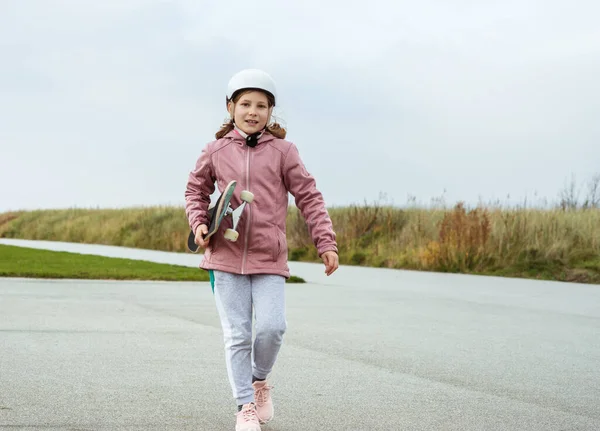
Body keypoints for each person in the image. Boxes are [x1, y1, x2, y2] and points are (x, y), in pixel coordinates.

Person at [184, 68, 339, 431]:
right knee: (237, 333)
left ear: (271, 111)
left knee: (272, 328)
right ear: (230, 107)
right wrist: (199, 223)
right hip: (223, 257)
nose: (252, 112)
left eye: (261, 106)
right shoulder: (215, 151)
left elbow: (309, 197)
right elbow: (195, 192)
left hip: (269, 257)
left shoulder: (285, 152)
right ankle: (244, 406)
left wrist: (326, 242)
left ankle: (259, 381)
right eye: (245, 104)